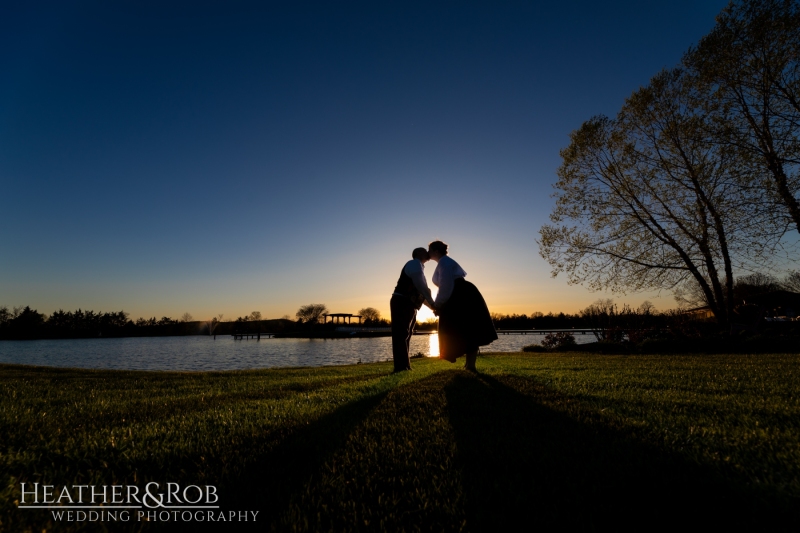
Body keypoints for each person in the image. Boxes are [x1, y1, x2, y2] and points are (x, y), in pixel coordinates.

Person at [429, 240, 497, 372]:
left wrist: (438, 304)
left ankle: (470, 365)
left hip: (461, 295)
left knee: (468, 328)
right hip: (461, 293)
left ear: (436, 251)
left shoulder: (445, 263)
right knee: (467, 328)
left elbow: (446, 286)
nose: (428, 252)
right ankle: (469, 365)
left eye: (430, 250)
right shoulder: (444, 262)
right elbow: (445, 286)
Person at [390, 247, 436, 372]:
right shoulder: (414, 264)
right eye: (424, 250)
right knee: (401, 334)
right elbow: (422, 288)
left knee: (406, 334)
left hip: (408, 303)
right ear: (418, 253)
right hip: (402, 302)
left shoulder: (418, 266)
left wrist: (433, 307)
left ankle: (404, 366)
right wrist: (433, 304)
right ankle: (401, 367)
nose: (427, 252)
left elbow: (421, 292)